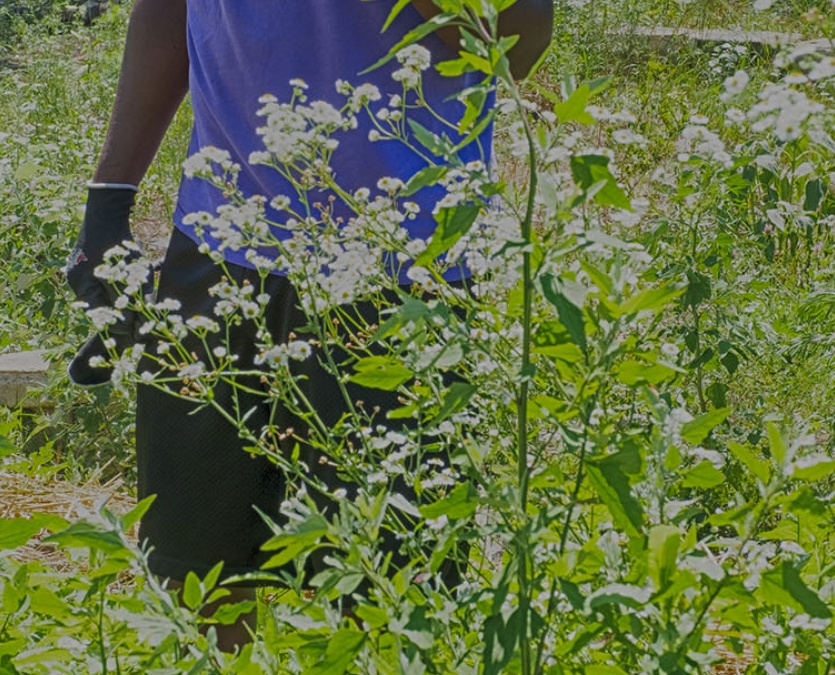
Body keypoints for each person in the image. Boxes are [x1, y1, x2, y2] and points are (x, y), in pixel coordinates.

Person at [65, 0, 553, 652]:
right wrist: (109, 199)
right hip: (218, 244)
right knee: (195, 575)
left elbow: (519, 43)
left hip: (402, 269)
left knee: (394, 592)